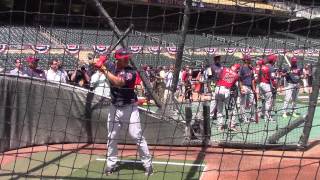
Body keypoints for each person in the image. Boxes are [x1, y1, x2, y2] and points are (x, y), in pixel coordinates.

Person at [95, 48, 153, 176]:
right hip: (114, 107)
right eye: (124, 57)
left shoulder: (130, 71)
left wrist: (103, 69)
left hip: (130, 108)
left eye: (127, 57)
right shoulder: (111, 65)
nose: (127, 59)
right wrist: (100, 60)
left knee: (136, 135)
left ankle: (148, 164)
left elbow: (118, 82)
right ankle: (111, 164)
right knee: (112, 137)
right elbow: (94, 64)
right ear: (117, 58)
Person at [213, 64, 241, 131]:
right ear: (237, 69)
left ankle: (220, 126)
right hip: (225, 90)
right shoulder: (236, 75)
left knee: (219, 110)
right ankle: (231, 125)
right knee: (232, 109)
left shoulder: (224, 69)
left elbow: (218, 75)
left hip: (217, 89)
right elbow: (232, 85)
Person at [258, 54, 278, 122]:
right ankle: (267, 117)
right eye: (275, 59)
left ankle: (261, 113)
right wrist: (275, 86)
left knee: (265, 100)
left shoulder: (263, 66)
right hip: (266, 85)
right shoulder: (271, 68)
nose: (275, 60)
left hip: (261, 84)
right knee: (269, 101)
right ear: (273, 61)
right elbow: (272, 79)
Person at [239, 55, 255, 123]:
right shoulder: (242, 68)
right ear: (246, 60)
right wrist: (241, 88)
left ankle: (252, 117)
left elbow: (252, 79)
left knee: (253, 102)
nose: (250, 60)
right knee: (243, 103)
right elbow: (239, 79)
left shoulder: (251, 68)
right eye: (249, 59)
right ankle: (244, 118)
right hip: (244, 86)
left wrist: (253, 88)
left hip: (250, 87)